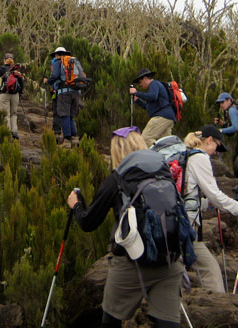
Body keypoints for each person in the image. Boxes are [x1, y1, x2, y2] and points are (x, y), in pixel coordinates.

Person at [67, 127, 184, 328]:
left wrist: (76, 205)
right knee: (168, 323)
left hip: (131, 262)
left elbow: (88, 222)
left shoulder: (117, 178)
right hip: (169, 260)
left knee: (110, 321)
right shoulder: (164, 172)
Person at [182, 125, 238, 293]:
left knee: (197, 269)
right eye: (216, 145)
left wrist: (205, 204)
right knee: (210, 270)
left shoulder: (185, 154)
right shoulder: (199, 158)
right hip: (185, 226)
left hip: (176, 221)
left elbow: (186, 195)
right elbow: (214, 195)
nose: (215, 151)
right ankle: (217, 307)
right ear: (209, 140)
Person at [129, 68, 177, 148]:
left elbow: (153, 97)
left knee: (146, 138)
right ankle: (168, 159)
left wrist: (136, 93)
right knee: (165, 143)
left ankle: (154, 158)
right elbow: (148, 108)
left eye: (140, 82)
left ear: (145, 79)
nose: (140, 85)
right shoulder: (154, 88)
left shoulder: (154, 84)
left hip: (162, 117)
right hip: (168, 117)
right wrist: (137, 100)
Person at [43, 46, 81, 148]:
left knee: (64, 115)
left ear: (57, 54)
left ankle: (67, 141)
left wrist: (48, 82)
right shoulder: (72, 62)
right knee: (70, 116)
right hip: (76, 92)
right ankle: (75, 139)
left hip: (64, 92)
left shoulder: (57, 62)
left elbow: (54, 76)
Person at [0, 53, 22, 139]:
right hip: (15, 95)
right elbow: (21, 82)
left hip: (4, 94)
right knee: (14, 113)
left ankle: (7, 131)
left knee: (6, 113)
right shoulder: (16, 70)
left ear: (4, 60)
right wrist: (20, 93)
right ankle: (14, 132)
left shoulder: (1, 69)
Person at [214, 92, 238, 159]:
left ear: (229, 100)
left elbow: (236, 128)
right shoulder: (236, 108)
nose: (221, 105)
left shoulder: (232, 110)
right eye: (220, 103)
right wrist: (223, 124)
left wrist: (220, 130)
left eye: (222, 102)